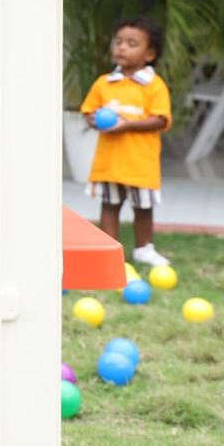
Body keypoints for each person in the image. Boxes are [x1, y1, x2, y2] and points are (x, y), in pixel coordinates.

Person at [81, 16, 172, 267]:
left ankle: (144, 248)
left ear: (150, 54)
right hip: (110, 162)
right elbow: (89, 111)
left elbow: (160, 119)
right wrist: (94, 120)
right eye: (119, 42)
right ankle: (109, 251)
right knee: (109, 205)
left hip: (140, 164)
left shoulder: (154, 85)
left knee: (143, 208)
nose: (122, 47)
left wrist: (127, 124)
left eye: (132, 44)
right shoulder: (104, 83)